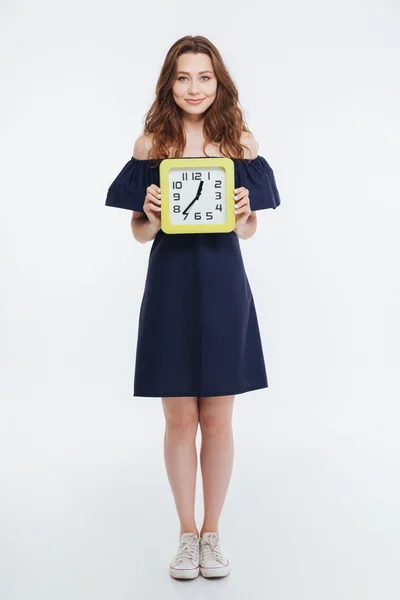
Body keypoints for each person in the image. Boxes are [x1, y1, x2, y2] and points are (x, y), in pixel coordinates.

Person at [105, 35, 281, 580]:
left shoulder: (240, 145)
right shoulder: (150, 145)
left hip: (224, 285)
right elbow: (138, 232)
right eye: (183, 77)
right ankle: (186, 533)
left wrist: (246, 211)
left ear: (218, 81)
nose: (194, 87)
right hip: (171, 286)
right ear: (170, 84)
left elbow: (248, 229)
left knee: (219, 419)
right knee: (180, 419)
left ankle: (213, 534)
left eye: (204, 77)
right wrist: (151, 216)